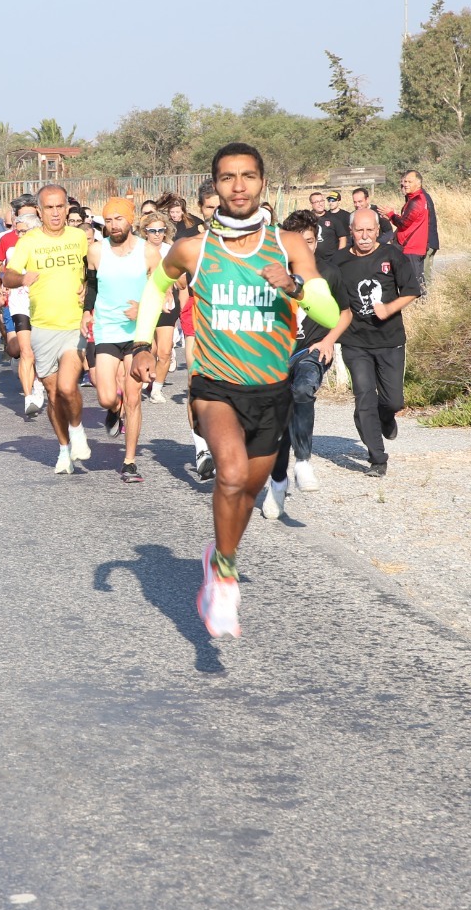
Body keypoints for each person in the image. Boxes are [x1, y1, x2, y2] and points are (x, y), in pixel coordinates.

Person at [129, 143, 341, 637]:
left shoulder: (290, 245)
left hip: (272, 390)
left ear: (263, 183)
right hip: (215, 386)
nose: (238, 185)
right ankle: (224, 579)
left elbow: (330, 315)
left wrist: (293, 287)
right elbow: (155, 288)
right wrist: (141, 344)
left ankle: (218, 557)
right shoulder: (194, 249)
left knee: (246, 492)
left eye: (248, 176)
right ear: (215, 185)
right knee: (229, 474)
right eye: (228, 177)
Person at [262, 211, 353, 515]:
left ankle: (302, 462)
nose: (304, 248)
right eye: (297, 243)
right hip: (275, 354)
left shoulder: (329, 273)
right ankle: (276, 482)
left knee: (303, 390)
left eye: (310, 242)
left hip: (310, 351)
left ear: (317, 241)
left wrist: (328, 341)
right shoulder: (272, 274)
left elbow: (345, 313)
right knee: (277, 424)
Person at [4, 184, 91, 474]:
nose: (55, 213)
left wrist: (88, 288)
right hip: (41, 327)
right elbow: (8, 275)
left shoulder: (80, 237)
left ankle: (77, 430)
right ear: (39, 211)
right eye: (49, 208)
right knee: (54, 395)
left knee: (68, 387)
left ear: (68, 208)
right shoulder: (29, 242)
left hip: (73, 325)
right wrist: (22, 278)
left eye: (59, 207)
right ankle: (64, 448)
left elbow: (94, 271)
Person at [337, 207, 421, 477]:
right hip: (355, 341)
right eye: (358, 230)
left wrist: (389, 308)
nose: (364, 236)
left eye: (369, 230)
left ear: (377, 231)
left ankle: (385, 416)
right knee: (364, 396)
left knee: (393, 401)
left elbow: (411, 291)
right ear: (351, 231)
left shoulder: (391, 254)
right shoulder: (338, 262)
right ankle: (377, 458)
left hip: (390, 339)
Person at [85, 197, 158, 482]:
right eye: (109, 220)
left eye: (119, 219)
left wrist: (144, 309)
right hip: (106, 330)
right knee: (105, 397)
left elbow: (161, 291)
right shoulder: (95, 251)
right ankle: (114, 411)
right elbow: (91, 284)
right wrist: (86, 312)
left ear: (131, 221)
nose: (114, 225)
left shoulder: (149, 252)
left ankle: (129, 462)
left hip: (138, 334)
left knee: (133, 399)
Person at [0, 197, 42, 414]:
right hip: (19, 302)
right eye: (17, 231)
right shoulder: (11, 249)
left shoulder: (45, 247)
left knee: (38, 351)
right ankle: (29, 395)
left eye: (22, 231)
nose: (18, 235)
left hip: (41, 304)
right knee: (25, 350)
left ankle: (39, 381)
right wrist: (2, 292)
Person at [138, 214, 178, 404]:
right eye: (152, 230)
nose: (157, 234)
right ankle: (142, 381)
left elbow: (183, 280)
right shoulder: (138, 250)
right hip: (144, 302)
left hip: (167, 303)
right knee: (148, 348)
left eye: (160, 230)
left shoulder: (172, 250)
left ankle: (157, 389)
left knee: (165, 350)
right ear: (144, 232)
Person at [385, 170, 439, 290]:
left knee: (417, 281)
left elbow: (404, 223)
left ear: (418, 184)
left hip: (414, 247)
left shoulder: (417, 200)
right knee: (412, 279)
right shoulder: (413, 199)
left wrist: (390, 214)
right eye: (404, 182)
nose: (405, 184)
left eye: (409, 181)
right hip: (412, 246)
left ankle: (422, 305)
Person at [307, 191, 349, 259]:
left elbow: (342, 237)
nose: (320, 204)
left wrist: (340, 255)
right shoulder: (307, 219)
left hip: (331, 260)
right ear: (311, 204)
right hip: (312, 259)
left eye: (321, 201)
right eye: (317, 202)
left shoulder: (333, 218)